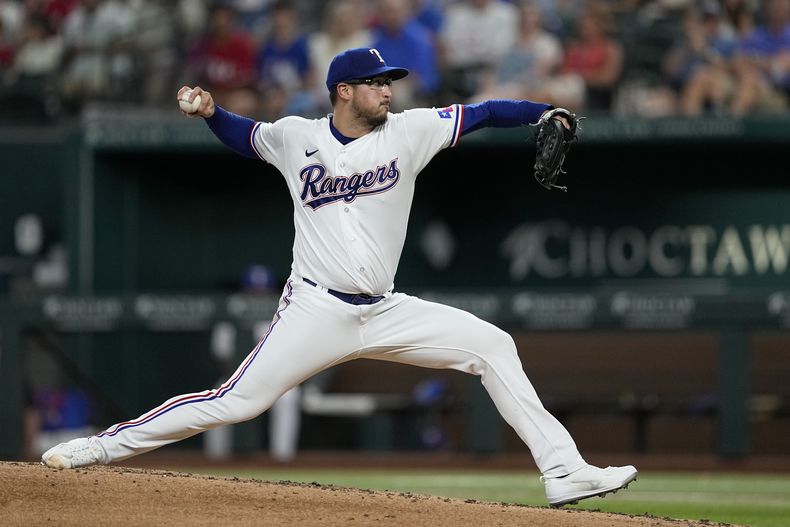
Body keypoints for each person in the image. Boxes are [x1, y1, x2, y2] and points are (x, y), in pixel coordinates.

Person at [41, 47, 638, 507]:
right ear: (343, 91)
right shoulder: (296, 137)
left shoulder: (411, 130)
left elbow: (482, 113)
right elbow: (245, 137)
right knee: (235, 403)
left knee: (492, 344)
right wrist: (210, 112)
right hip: (315, 310)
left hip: (384, 309)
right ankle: (101, 445)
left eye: (389, 83)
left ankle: (563, 471)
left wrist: (545, 112)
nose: (387, 91)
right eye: (377, 83)